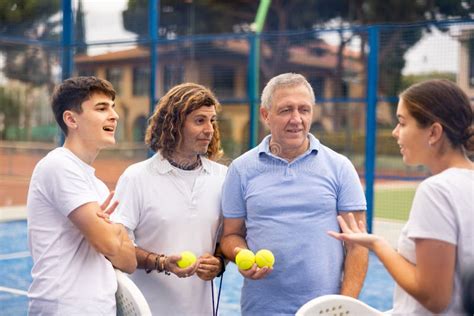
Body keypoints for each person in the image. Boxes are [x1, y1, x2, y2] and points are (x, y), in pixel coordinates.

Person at [220, 73, 369, 315]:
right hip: (261, 309)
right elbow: (231, 235)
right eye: (286, 110)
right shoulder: (241, 169)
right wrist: (241, 255)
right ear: (265, 115)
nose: (296, 119)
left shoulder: (340, 167)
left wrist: (343, 307)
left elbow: (358, 246)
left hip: (324, 311)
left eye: (304, 110)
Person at [329, 79, 474, 315]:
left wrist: (378, 244)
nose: (395, 133)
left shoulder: (436, 191)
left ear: (434, 132)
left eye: (402, 123)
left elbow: (435, 298)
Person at [111, 83, 228, 315]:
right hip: (147, 310)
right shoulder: (136, 177)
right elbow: (117, 248)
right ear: (173, 124)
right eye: (199, 121)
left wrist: (219, 262)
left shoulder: (223, 177)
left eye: (212, 121)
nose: (209, 130)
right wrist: (162, 262)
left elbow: (226, 240)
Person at [27, 76, 137, 315]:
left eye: (113, 107)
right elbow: (108, 243)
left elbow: (129, 262)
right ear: (71, 119)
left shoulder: (96, 185)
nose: (114, 115)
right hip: (63, 309)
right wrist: (114, 231)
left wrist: (108, 231)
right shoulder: (58, 165)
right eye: (101, 108)